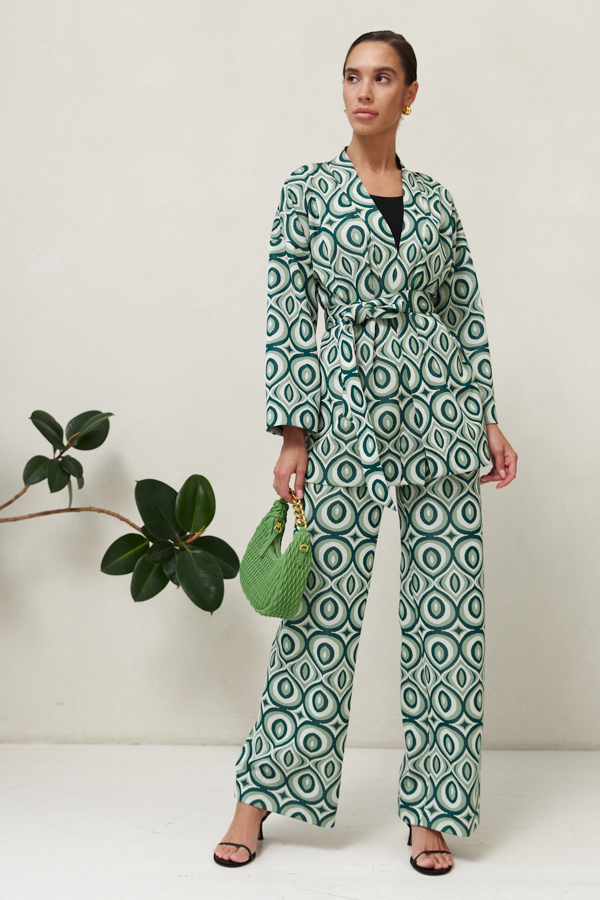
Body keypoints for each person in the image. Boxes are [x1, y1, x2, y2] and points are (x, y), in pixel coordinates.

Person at [214, 29, 517, 876]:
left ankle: (434, 812)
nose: (364, 91)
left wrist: (486, 415)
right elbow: (287, 313)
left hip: (442, 411)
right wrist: (294, 431)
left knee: (448, 615)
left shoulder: (438, 200)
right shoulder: (307, 190)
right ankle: (256, 799)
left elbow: (464, 311)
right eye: (353, 76)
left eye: (383, 78)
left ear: (409, 95)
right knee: (319, 609)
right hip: (343, 411)